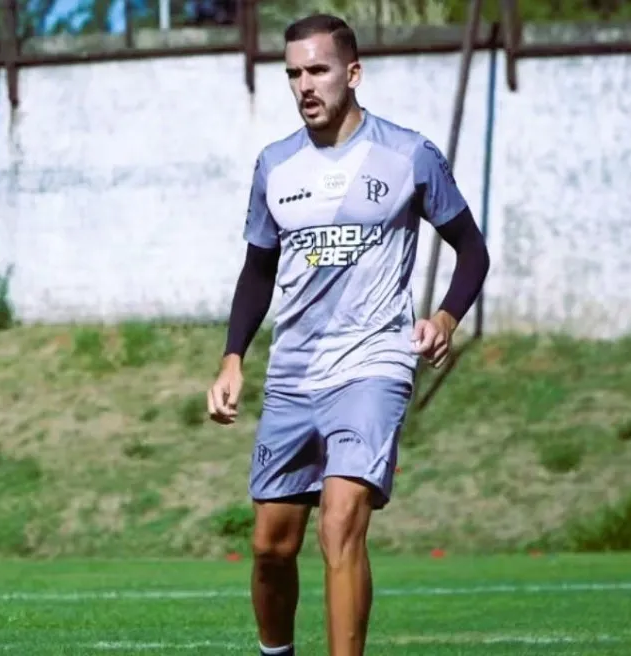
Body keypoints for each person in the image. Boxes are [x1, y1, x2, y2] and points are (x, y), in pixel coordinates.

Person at [206, 12, 490, 656]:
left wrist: (445, 317)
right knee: (270, 547)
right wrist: (231, 358)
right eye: (294, 74)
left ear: (352, 73)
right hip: (293, 375)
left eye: (319, 70)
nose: (305, 85)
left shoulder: (408, 154)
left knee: (340, 527)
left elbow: (471, 250)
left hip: (374, 365)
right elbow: (257, 271)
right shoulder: (274, 165)